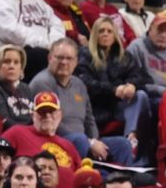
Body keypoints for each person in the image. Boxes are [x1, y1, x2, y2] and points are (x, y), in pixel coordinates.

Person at [29, 38, 134, 167]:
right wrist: (89, 142)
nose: (64, 62)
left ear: (76, 62)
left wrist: (94, 140)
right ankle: (82, 178)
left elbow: (89, 119)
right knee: (80, 140)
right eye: (60, 58)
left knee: (122, 144)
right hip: (55, 140)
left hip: (85, 141)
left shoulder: (79, 84)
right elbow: (51, 122)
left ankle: (123, 182)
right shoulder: (42, 83)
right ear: (50, 58)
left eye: (69, 59)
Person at [76, 16, 151, 162]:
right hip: (97, 107)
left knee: (140, 95)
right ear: (95, 34)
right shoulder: (85, 54)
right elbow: (86, 83)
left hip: (119, 107)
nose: (105, 34)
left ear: (115, 35)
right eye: (101, 31)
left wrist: (131, 86)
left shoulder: (124, 56)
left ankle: (132, 138)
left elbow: (143, 78)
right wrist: (114, 90)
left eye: (109, 31)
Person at [1, 92, 81, 188]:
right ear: (33, 115)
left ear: (60, 115)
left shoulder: (68, 145)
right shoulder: (17, 133)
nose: (47, 116)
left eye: (51, 112)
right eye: (42, 112)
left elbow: (81, 174)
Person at [126, 12, 166, 105]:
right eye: (160, 30)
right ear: (150, 28)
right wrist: (161, 91)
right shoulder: (136, 48)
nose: (163, 35)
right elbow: (132, 81)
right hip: (149, 97)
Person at [0, 45, 34, 129]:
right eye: (6, 62)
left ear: (21, 68)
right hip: (8, 135)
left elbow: (35, 117)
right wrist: (29, 134)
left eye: (16, 62)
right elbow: (4, 120)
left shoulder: (25, 88)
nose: (12, 66)